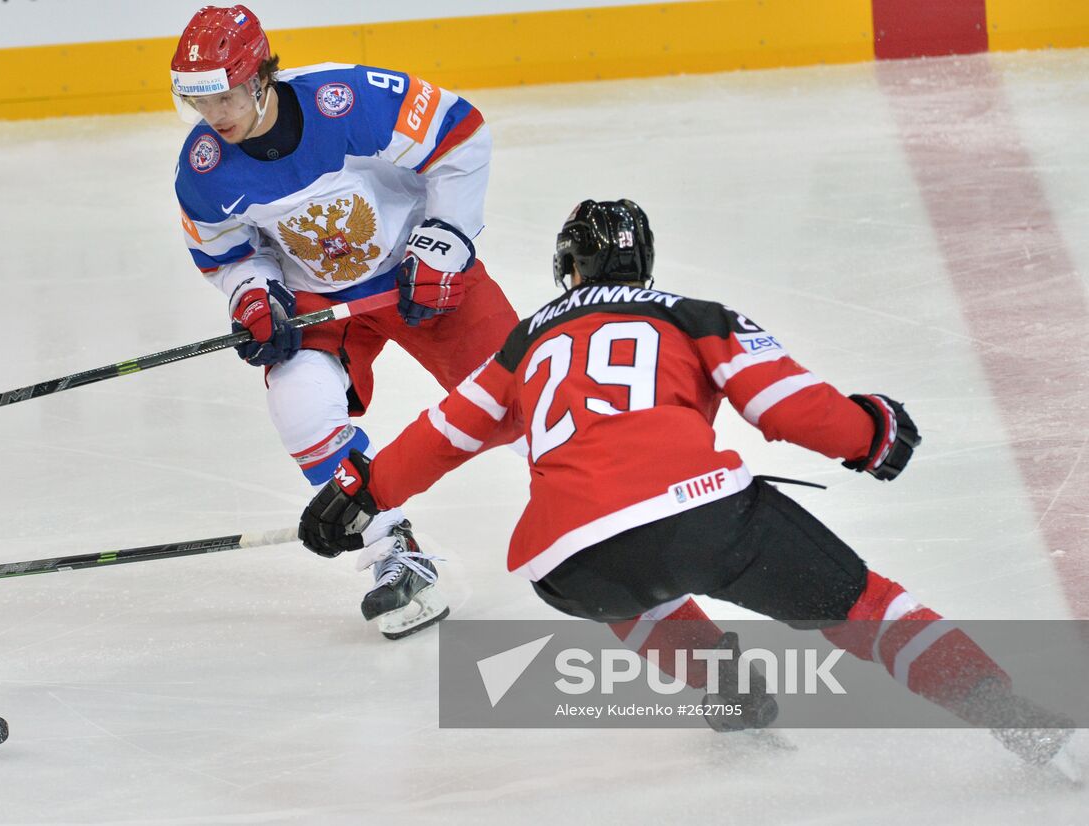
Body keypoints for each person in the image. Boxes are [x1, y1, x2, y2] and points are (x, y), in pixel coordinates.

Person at [299, 197, 1077, 772]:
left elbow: (448, 431)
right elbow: (781, 405)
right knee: (868, 608)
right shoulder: (689, 314)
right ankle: (1010, 715)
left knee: (618, 568)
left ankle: (721, 681)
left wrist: (360, 492)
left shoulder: (524, 342)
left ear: (568, 271)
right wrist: (869, 433)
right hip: (702, 513)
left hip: (568, 562)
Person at [170, 6, 518, 639]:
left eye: (223, 96)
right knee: (300, 406)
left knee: (526, 398)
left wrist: (444, 241)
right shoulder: (202, 170)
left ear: (259, 76)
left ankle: (624, 505)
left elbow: (462, 135)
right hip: (317, 299)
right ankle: (394, 553)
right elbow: (226, 253)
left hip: (419, 276)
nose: (214, 116)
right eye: (199, 104)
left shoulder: (347, 99)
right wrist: (252, 295)